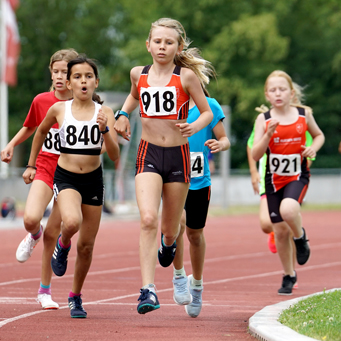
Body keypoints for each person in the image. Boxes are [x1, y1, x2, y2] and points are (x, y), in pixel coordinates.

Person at [114, 18, 214, 314]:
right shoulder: (138, 74)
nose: (162, 46)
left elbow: (206, 112)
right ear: (148, 45)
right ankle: (148, 290)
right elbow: (134, 97)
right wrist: (122, 114)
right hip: (148, 153)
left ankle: (168, 244)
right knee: (147, 219)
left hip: (178, 157)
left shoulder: (186, 78)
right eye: (157, 41)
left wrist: (194, 125)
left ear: (178, 47)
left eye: (169, 42)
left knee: (171, 230)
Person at [22, 55, 120, 318]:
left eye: (88, 76)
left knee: (87, 246)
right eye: (77, 77)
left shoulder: (105, 113)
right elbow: (40, 132)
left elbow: (114, 156)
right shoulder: (59, 110)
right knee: (72, 222)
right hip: (65, 177)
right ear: (69, 82)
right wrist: (31, 164)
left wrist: (106, 130)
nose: (83, 81)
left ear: (96, 82)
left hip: (93, 180)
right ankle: (62, 244)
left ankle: (75, 296)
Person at [1, 49, 78, 309]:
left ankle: (45, 291)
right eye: (55, 71)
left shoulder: (82, 102)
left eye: (65, 72)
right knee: (31, 219)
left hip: (70, 173)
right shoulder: (42, 100)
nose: (59, 76)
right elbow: (30, 127)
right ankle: (33, 235)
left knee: (53, 234)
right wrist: (12, 145)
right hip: (45, 167)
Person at [252, 70, 325, 295]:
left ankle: (301, 238)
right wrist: (267, 135)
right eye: (273, 90)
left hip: (297, 176)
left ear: (291, 93)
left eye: (282, 89)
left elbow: (320, 135)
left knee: (289, 210)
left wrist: (314, 148)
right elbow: (255, 154)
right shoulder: (263, 120)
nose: (278, 93)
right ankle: (289, 275)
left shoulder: (303, 115)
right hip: (273, 181)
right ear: (267, 95)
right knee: (280, 231)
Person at [172, 86, 230, 318]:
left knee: (194, 234)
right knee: (175, 225)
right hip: (172, 177)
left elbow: (224, 138)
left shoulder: (210, 105)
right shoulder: (167, 103)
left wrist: (220, 144)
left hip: (198, 182)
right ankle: (178, 276)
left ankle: (196, 285)